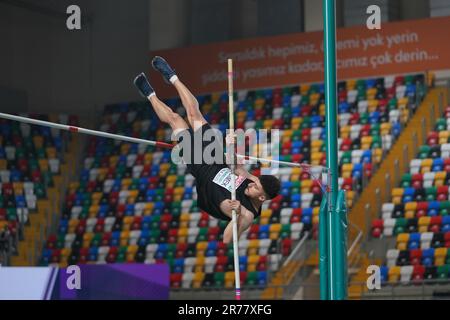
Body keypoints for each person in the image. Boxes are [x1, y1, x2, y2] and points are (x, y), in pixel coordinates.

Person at [134, 56, 280, 243]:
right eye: (255, 182)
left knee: (175, 119)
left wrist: (236, 216)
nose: (251, 184)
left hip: (202, 168)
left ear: (261, 197)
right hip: (216, 158)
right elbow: (236, 167)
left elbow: (227, 239)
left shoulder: (248, 214)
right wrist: (230, 146)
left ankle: (149, 94)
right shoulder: (252, 180)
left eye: (255, 187)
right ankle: (171, 76)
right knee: (195, 113)